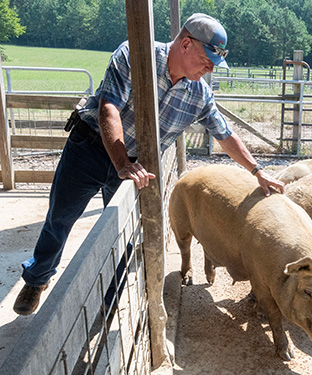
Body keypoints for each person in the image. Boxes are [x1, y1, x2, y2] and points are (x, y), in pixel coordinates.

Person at [13, 13, 285, 316]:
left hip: (135, 166)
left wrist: (257, 171)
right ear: (185, 44)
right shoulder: (135, 56)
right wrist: (121, 162)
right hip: (89, 147)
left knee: (126, 234)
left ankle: (109, 302)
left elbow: (225, 134)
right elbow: (109, 107)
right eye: (207, 59)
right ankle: (37, 279)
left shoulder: (200, 94)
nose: (210, 68)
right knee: (60, 217)